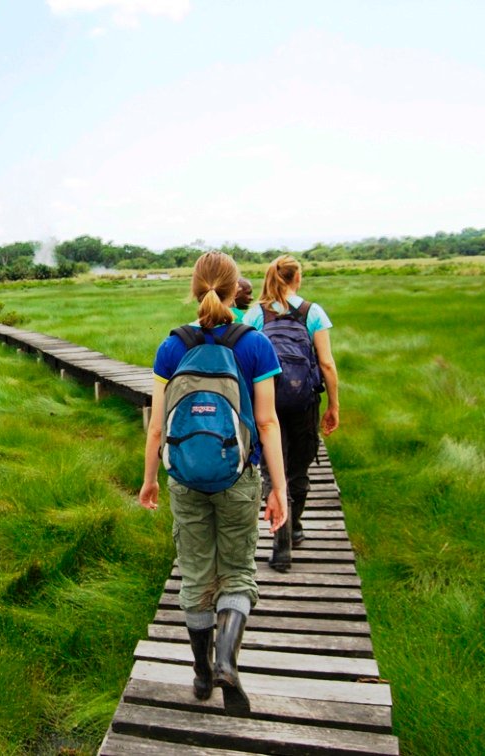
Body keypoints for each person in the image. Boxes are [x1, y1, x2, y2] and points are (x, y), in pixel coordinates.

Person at [139, 251, 288, 714]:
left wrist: (150, 480)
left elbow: (158, 427)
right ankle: (227, 658)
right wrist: (278, 489)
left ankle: (202, 673)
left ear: (194, 287)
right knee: (238, 571)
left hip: (184, 477)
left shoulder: (172, 345)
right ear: (235, 287)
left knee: (195, 574)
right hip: (239, 477)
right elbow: (267, 424)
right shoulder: (255, 343)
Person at [244, 255, 339, 571]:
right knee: (299, 467)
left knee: (273, 471)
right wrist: (334, 405)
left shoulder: (256, 313)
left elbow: (244, 360)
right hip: (304, 403)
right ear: (296, 278)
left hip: (265, 402)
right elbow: (326, 364)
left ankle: (280, 545)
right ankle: (295, 525)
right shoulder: (313, 312)